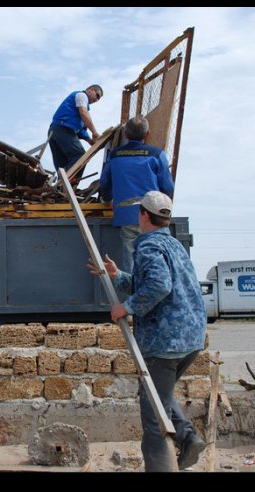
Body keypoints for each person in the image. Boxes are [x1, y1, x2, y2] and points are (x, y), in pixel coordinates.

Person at [88, 191, 206, 472]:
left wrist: (126, 308)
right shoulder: (173, 245)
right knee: (157, 394)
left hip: (164, 341)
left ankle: (163, 464)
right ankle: (189, 438)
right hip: (190, 338)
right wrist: (119, 277)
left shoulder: (148, 247)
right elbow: (155, 283)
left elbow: (159, 286)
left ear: (143, 215)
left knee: (154, 416)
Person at [99, 115, 174, 273]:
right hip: (155, 215)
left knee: (132, 266)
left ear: (125, 134)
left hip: (129, 215)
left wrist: (107, 199)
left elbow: (105, 184)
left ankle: (137, 295)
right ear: (147, 134)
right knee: (158, 260)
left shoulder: (115, 155)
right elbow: (167, 186)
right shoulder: (157, 154)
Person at [49, 85, 103, 181]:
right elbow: (83, 113)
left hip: (55, 131)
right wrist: (94, 132)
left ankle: (61, 187)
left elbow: (81, 130)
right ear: (90, 90)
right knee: (81, 156)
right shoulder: (82, 96)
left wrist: (90, 141)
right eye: (97, 95)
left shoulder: (79, 106)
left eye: (99, 99)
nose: (97, 100)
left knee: (63, 166)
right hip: (62, 129)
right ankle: (70, 182)